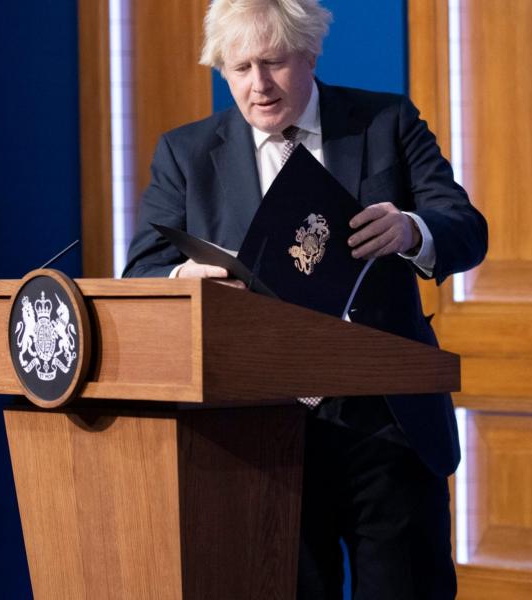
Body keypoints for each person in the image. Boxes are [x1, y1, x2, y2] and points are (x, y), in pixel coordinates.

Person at [123, 0, 487, 597]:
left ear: (312, 54)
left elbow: (465, 228)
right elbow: (141, 273)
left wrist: (412, 230)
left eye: (274, 63)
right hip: (259, 432)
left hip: (385, 423)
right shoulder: (186, 154)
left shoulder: (384, 122)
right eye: (239, 69)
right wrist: (181, 281)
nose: (258, 86)